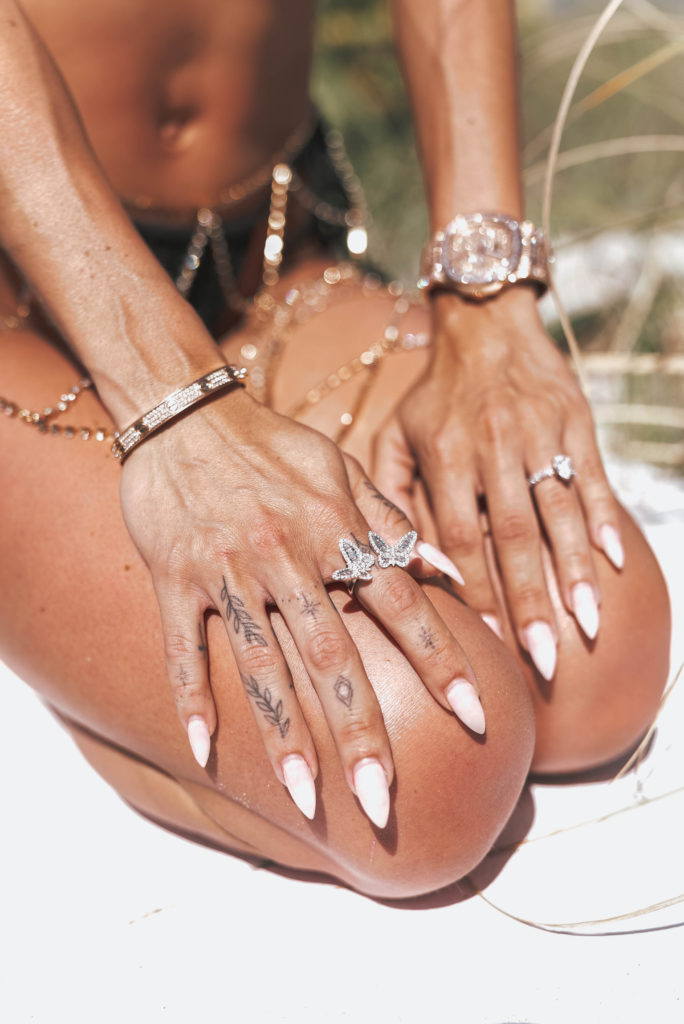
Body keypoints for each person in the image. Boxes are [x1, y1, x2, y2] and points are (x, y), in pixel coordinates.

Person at [0, 0, 670, 899]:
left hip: (269, 257)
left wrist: (487, 303)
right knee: (426, 773)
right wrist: (173, 404)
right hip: (23, 311)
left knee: (601, 662)